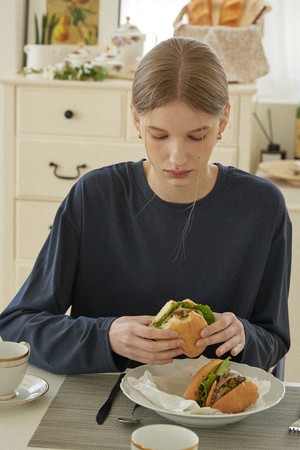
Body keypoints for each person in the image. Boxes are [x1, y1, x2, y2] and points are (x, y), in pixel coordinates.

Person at [0, 37, 291, 375]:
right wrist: (106, 336)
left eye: (197, 136)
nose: (177, 157)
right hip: (105, 409)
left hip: (213, 413)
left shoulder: (262, 206)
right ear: (136, 120)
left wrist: (244, 336)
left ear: (223, 121)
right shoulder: (95, 197)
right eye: (159, 134)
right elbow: (17, 326)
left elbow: (273, 338)